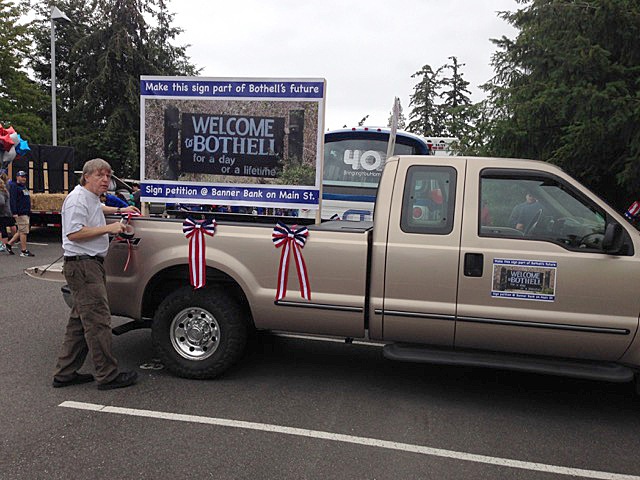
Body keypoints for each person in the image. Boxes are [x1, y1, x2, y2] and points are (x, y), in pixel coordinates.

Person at [52, 158, 141, 390]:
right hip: (83, 267)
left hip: (88, 265)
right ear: (87, 176)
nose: (106, 180)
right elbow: (74, 233)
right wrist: (110, 228)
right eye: (100, 175)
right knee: (98, 322)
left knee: (80, 323)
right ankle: (107, 375)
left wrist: (120, 209)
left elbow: (98, 209)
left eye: (108, 176)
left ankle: (64, 373)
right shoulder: (76, 200)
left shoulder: (89, 198)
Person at [7, 170, 34, 256]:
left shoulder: (23, 187)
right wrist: (14, 212)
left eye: (25, 177)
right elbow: (13, 200)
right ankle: (23, 250)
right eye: (22, 176)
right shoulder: (15, 187)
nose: (24, 178)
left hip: (25, 212)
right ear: (17, 177)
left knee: (21, 230)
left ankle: (9, 244)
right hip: (20, 212)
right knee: (24, 232)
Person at [0, 178, 16, 254]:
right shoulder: (5, 191)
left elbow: (1, 202)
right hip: (8, 211)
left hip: (3, 213)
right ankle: (13, 240)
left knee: (3, 229)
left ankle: (4, 244)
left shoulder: (1, 192)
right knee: (11, 225)